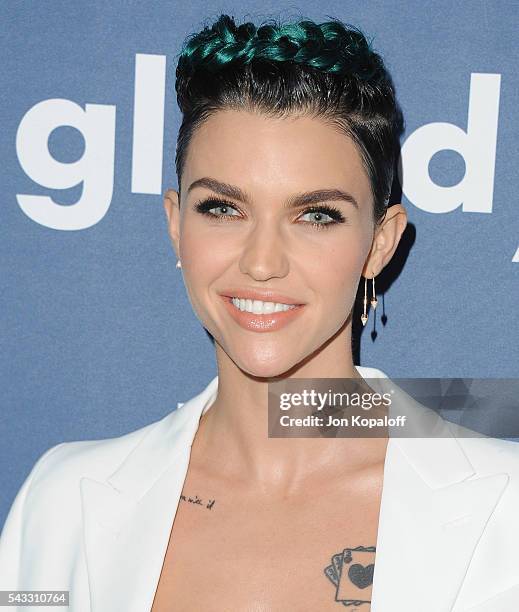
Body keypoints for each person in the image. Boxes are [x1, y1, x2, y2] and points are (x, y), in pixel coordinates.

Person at [1, 13, 519, 612]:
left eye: (316, 215)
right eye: (222, 209)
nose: (262, 262)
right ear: (175, 223)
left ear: (379, 242)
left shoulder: (503, 509)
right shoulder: (59, 503)